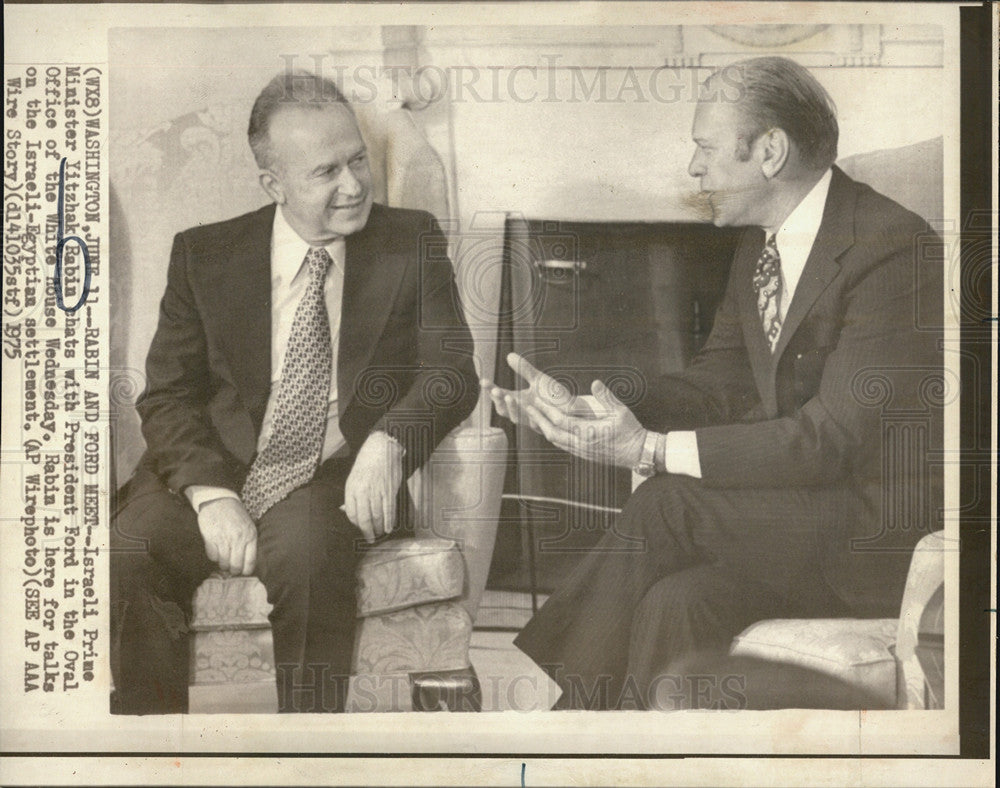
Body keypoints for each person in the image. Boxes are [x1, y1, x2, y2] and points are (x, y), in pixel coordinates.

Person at [483, 56, 943, 710]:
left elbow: (829, 441)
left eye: (705, 148)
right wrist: (600, 404)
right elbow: (715, 385)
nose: (694, 169)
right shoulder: (761, 244)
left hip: (874, 537)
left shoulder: (896, 249)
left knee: (667, 500)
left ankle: (564, 723)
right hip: (792, 522)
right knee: (679, 601)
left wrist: (647, 450)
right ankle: (647, 761)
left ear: (770, 151)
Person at [110, 72, 479, 714]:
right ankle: (152, 752)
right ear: (274, 184)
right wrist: (211, 494)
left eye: (358, 159)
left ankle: (311, 751)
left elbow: (452, 371)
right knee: (130, 550)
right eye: (326, 172)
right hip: (213, 469)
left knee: (309, 558)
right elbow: (167, 395)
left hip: (326, 475)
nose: (355, 185)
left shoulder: (408, 240)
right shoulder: (205, 255)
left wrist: (390, 442)